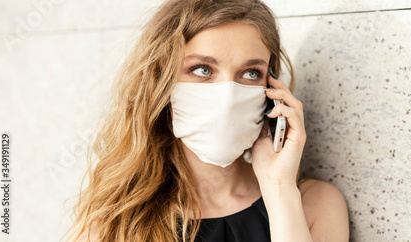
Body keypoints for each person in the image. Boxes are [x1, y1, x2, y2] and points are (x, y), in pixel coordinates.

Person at [66, 0, 349, 241]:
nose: (227, 95)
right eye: (202, 69)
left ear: (272, 90)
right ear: (160, 82)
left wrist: (278, 189)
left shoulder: (314, 204)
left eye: (250, 73)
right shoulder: (114, 223)